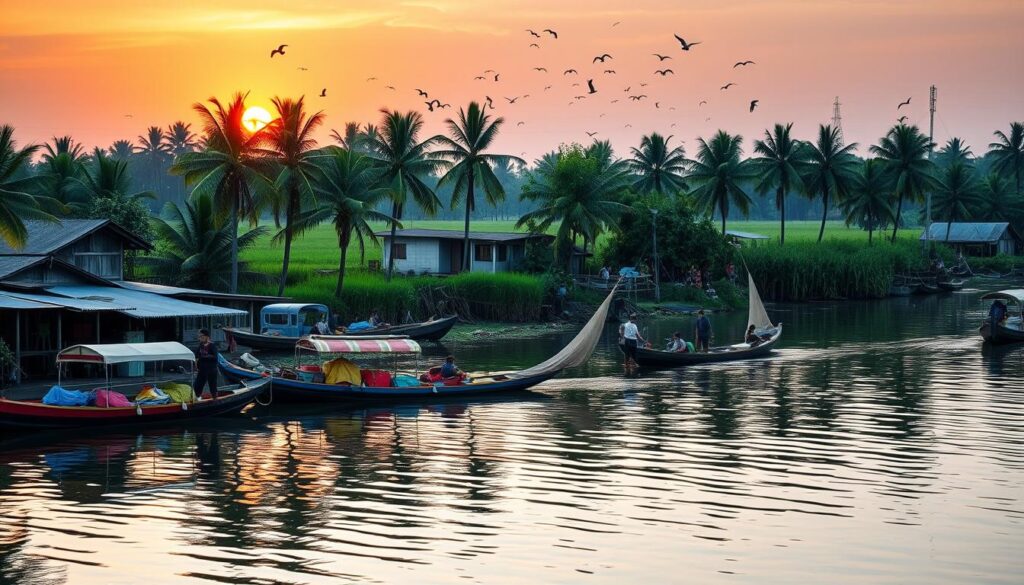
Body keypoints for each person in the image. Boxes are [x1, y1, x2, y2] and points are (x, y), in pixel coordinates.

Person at [193, 328, 219, 400]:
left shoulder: (212, 345)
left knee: (212, 386)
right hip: (202, 369)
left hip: (211, 369)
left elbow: (215, 357)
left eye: (201, 336)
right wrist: (196, 365)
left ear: (206, 336)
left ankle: (215, 399)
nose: (200, 338)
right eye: (199, 336)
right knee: (197, 385)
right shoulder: (200, 345)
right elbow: (196, 356)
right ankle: (196, 398)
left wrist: (204, 356)